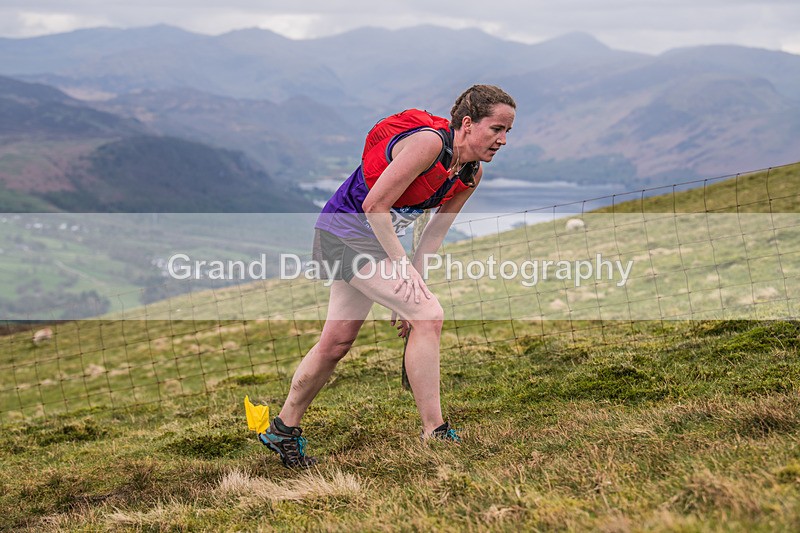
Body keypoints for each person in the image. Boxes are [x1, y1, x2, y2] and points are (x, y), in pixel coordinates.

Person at [259, 84, 516, 468]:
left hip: (375, 242)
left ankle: (282, 429)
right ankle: (435, 431)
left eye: (507, 131)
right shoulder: (429, 144)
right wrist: (403, 275)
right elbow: (374, 205)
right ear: (467, 123)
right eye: (496, 128)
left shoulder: (469, 173)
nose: (503, 140)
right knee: (429, 315)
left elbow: (434, 234)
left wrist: (413, 284)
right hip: (343, 234)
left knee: (337, 342)